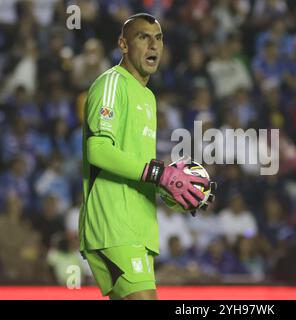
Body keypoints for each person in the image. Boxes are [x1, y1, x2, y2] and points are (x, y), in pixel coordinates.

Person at [78, 13, 216, 300]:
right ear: (124, 45)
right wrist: (160, 174)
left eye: (159, 38)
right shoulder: (112, 83)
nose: (153, 45)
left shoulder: (148, 96)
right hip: (113, 222)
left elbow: (136, 166)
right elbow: (98, 150)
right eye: (143, 37)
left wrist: (173, 190)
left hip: (140, 226)